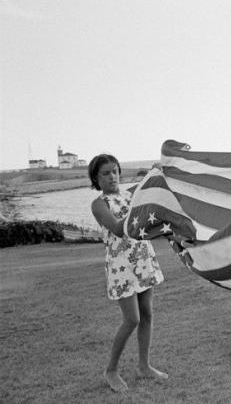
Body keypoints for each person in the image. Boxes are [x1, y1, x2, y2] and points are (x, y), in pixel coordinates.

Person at [88, 154, 168, 392]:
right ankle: (111, 370)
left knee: (147, 315)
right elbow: (116, 228)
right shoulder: (99, 203)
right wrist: (139, 208)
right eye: (105, 173)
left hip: (142, 258)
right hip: (121, 266)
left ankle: (144, 366)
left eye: (115, 171)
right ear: (96, 178)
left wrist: (157, 173)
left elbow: (149, 189)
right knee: (131, 319)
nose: (112, 176)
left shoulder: (129, 194)